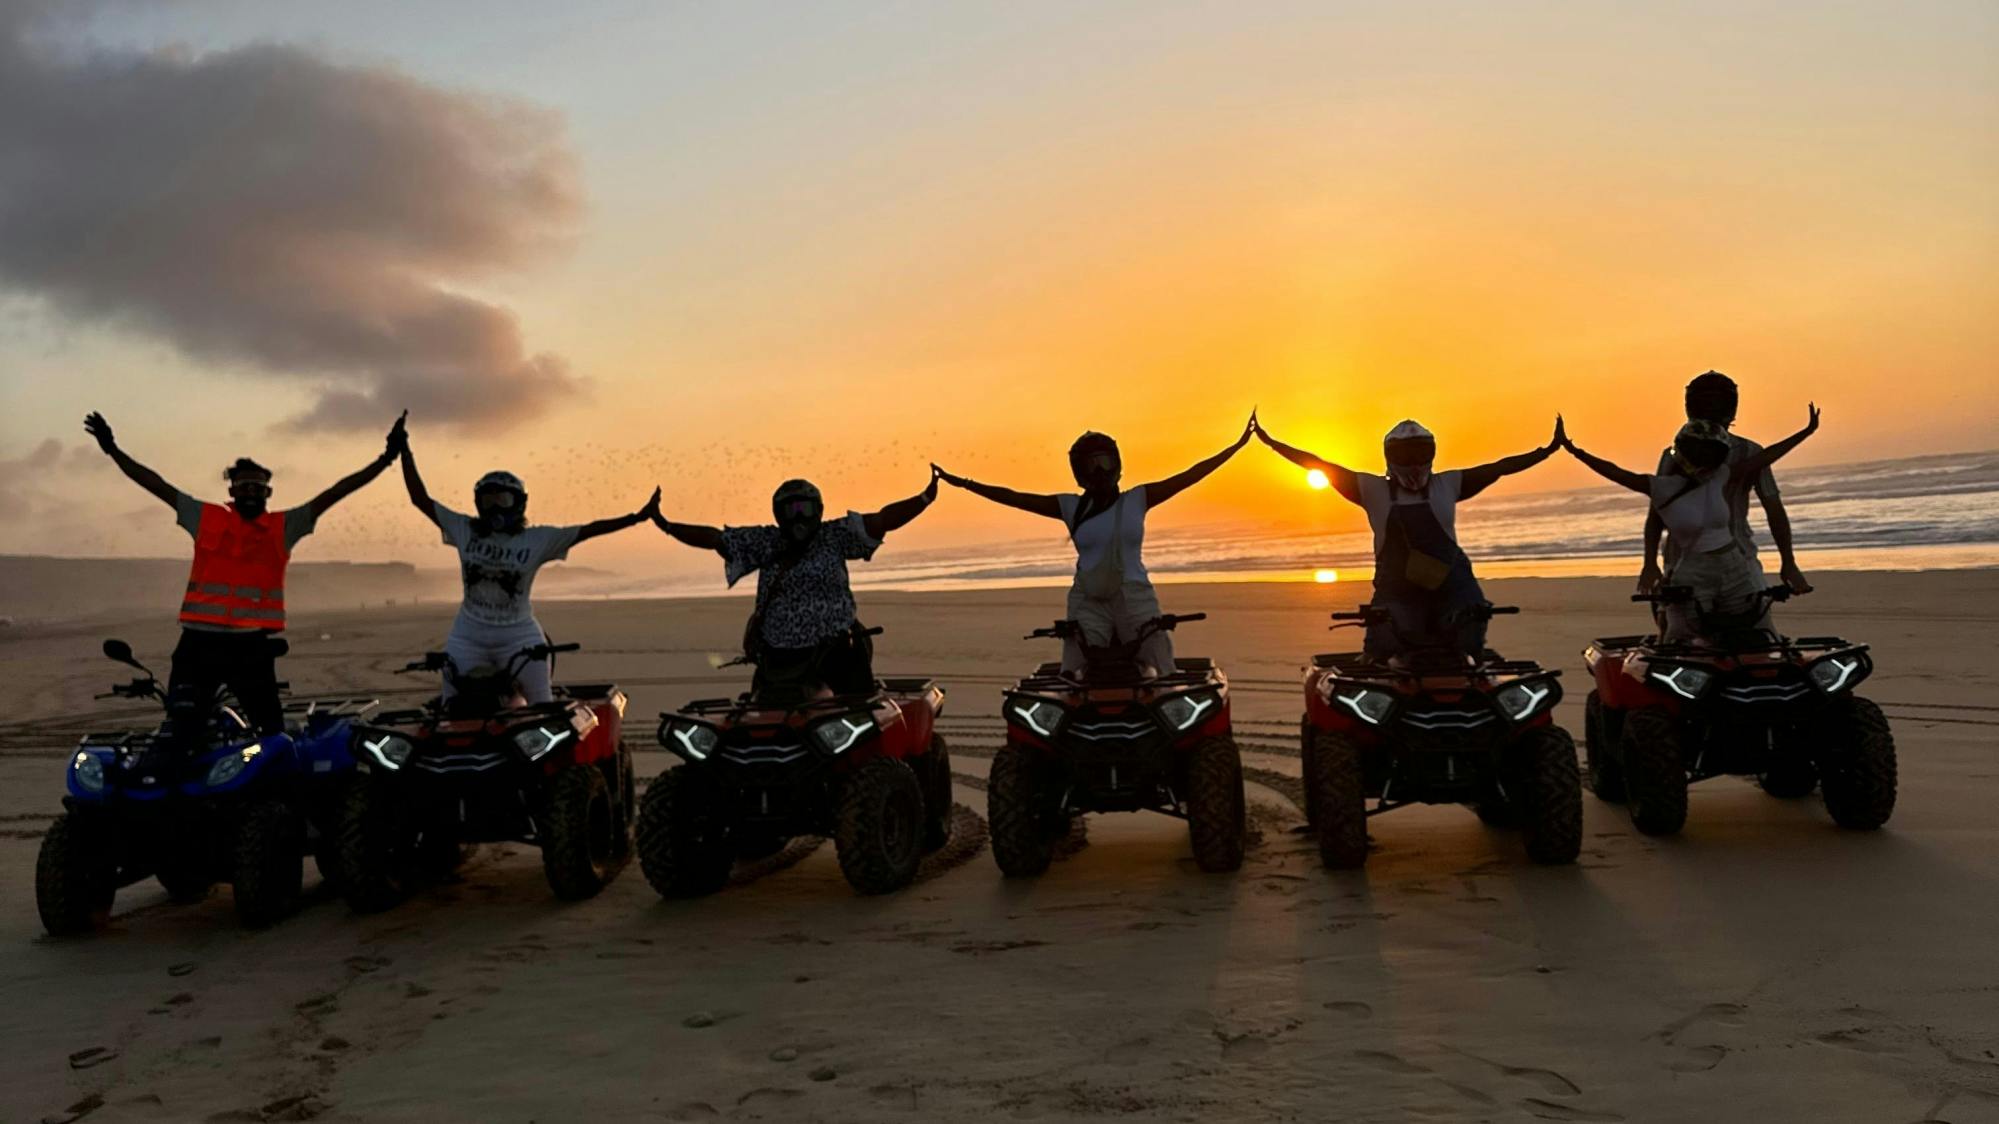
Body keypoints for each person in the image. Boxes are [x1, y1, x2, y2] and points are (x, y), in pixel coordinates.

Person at [84, 409, 405, 752]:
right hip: (197, 644)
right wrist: (112, 450)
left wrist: (385, 459)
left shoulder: (284, 527)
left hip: (250, 647)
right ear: (232, 490)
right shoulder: (205, 517)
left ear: (269, 492)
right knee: (181, 729)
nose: (250, 491)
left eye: (258, 486)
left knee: (271, 733)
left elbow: (336, 491)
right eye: (243, 485)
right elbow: (155, 484)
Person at [934, 416, 1254, 677]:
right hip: (1087, 600)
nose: (1099, 471)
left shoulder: (1137, 499)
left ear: (1116, 464)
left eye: (1105, 462)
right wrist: (965, 484)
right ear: (1079, 472)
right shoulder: (1070, 507)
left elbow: (1190, 475)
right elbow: (1016, 497)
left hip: (1134, 595)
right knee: (1075, 669)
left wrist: (1237, 446)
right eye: (1090, 465)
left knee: (1163, 664)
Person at [1256, 415, 1563, 661]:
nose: (1414, 461)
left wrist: (1546, 451)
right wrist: (1272, 444)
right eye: (1405, 454)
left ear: (1432, 453)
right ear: (1390, 457)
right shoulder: (1369, 488)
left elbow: (1500, 468)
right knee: (1382, 644)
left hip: (1452, 581)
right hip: (1396, 586)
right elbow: (1317, 463)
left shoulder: (1449, 483)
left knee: (1472, 626)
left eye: (1421, 452)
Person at [398, 441, 660, 705]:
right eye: (488, 501)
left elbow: (588, 530)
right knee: (452, 707)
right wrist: (405, 452)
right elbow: (420, 499)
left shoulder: (537, 539)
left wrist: (635, 518)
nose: (495, 509)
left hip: (519, 636)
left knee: (542, 707)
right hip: (468, 636)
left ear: (518, 504)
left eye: (503, 500)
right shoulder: (464, 529)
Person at [651, 472, 941, 697]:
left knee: (860, 715)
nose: (798, 516)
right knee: (763, 718)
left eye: (804, 508)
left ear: (818, 510)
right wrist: (666, 525)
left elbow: (882, 520)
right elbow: (715, 539)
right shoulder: (764, 541)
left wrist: (925, 499)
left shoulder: (835, 535)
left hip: (836, 651)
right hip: (780, 657)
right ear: (779, 514)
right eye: (790, 510)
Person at [1562, 404, 1820, 643]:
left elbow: (1763, 458)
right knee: (1681, 639)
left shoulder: (1719, 476)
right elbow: (1616, 472)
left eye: (1711, 453)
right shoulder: (1661, 488)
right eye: (1699, 452)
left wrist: (1805, 432)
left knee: (1755, 632)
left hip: (1735, 566)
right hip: (1693, 572)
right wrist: (1575, 452)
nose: (1705, 460)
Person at [1639, 371, 1811, 597]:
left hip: (1698, 558)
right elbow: (1774, 508)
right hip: (1721, 558)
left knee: (1678, 626)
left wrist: (1650, 563)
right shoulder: (1749, 452)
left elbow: (1657, 514)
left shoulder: (1674, 455)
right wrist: (1788, 562)